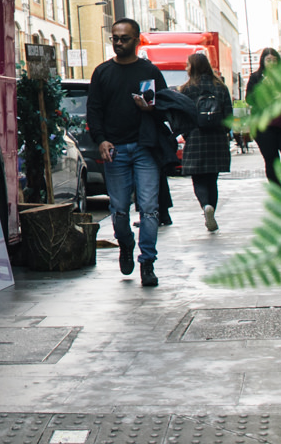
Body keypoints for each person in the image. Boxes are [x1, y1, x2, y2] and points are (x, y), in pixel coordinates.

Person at [86, 18, 170, 287]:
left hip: (145, 148)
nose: (118, 43)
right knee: (119, 210)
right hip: (116, 151)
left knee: (149, 209)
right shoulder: (102, 73)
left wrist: (151, 109)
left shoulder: (150, 72)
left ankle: (147, 262)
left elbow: (165, 106)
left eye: (124, 38)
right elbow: (94, 110)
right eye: (115, 38)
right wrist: (101, 140)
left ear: (137, 40)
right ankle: (125, 244)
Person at [178, 51, 234, 230]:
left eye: (187, 65)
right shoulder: (220, 86)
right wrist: (223, 131)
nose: (186, 68)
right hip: (216, 138)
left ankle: (205, 206)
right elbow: (228, 114)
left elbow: (183, 116)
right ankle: (212, 209)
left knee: (198, 180)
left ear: (193, 67)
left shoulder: (186, 88)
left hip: (196, 137)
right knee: (212, 180)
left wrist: (187, 134)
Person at [248, 48, 281, 185]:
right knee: (272, 161)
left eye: (275, 60)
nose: (272, 63)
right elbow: (249, 99)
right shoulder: (256, 78)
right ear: (263, 62)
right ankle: (277, 191)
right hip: (265, 128)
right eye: (268, 60)